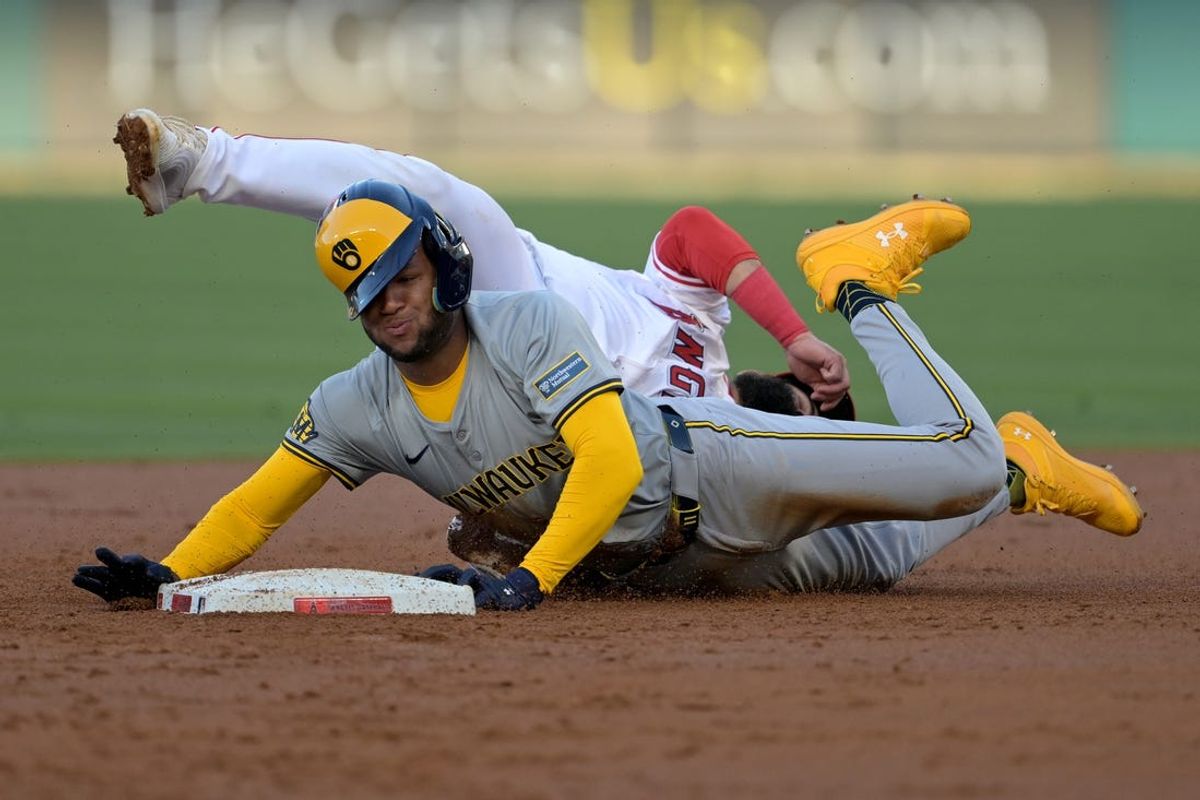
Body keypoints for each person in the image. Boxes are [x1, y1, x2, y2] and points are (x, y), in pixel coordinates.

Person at [73, 183, 1144, 609]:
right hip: (664, 570)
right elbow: (260, 503)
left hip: (714, 460)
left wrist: (530, 576)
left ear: (439, 267)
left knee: (936, 464)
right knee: (873, 561)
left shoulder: (526, 324)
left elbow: (616, 461)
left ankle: (858, 275)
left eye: (397, 278)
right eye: (363, 295)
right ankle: (1017, 466)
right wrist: (170, 568)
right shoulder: (359, 403)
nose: (384, 306)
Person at [113, 108, 851, 410]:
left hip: (545, 411)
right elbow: (694, 230)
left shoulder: (736, 458)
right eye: (809, 399)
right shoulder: (697, 318)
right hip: (520, 294)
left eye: (816, 413)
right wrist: (796, 335)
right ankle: (198, 161)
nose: (803, 403)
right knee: (435, 196)